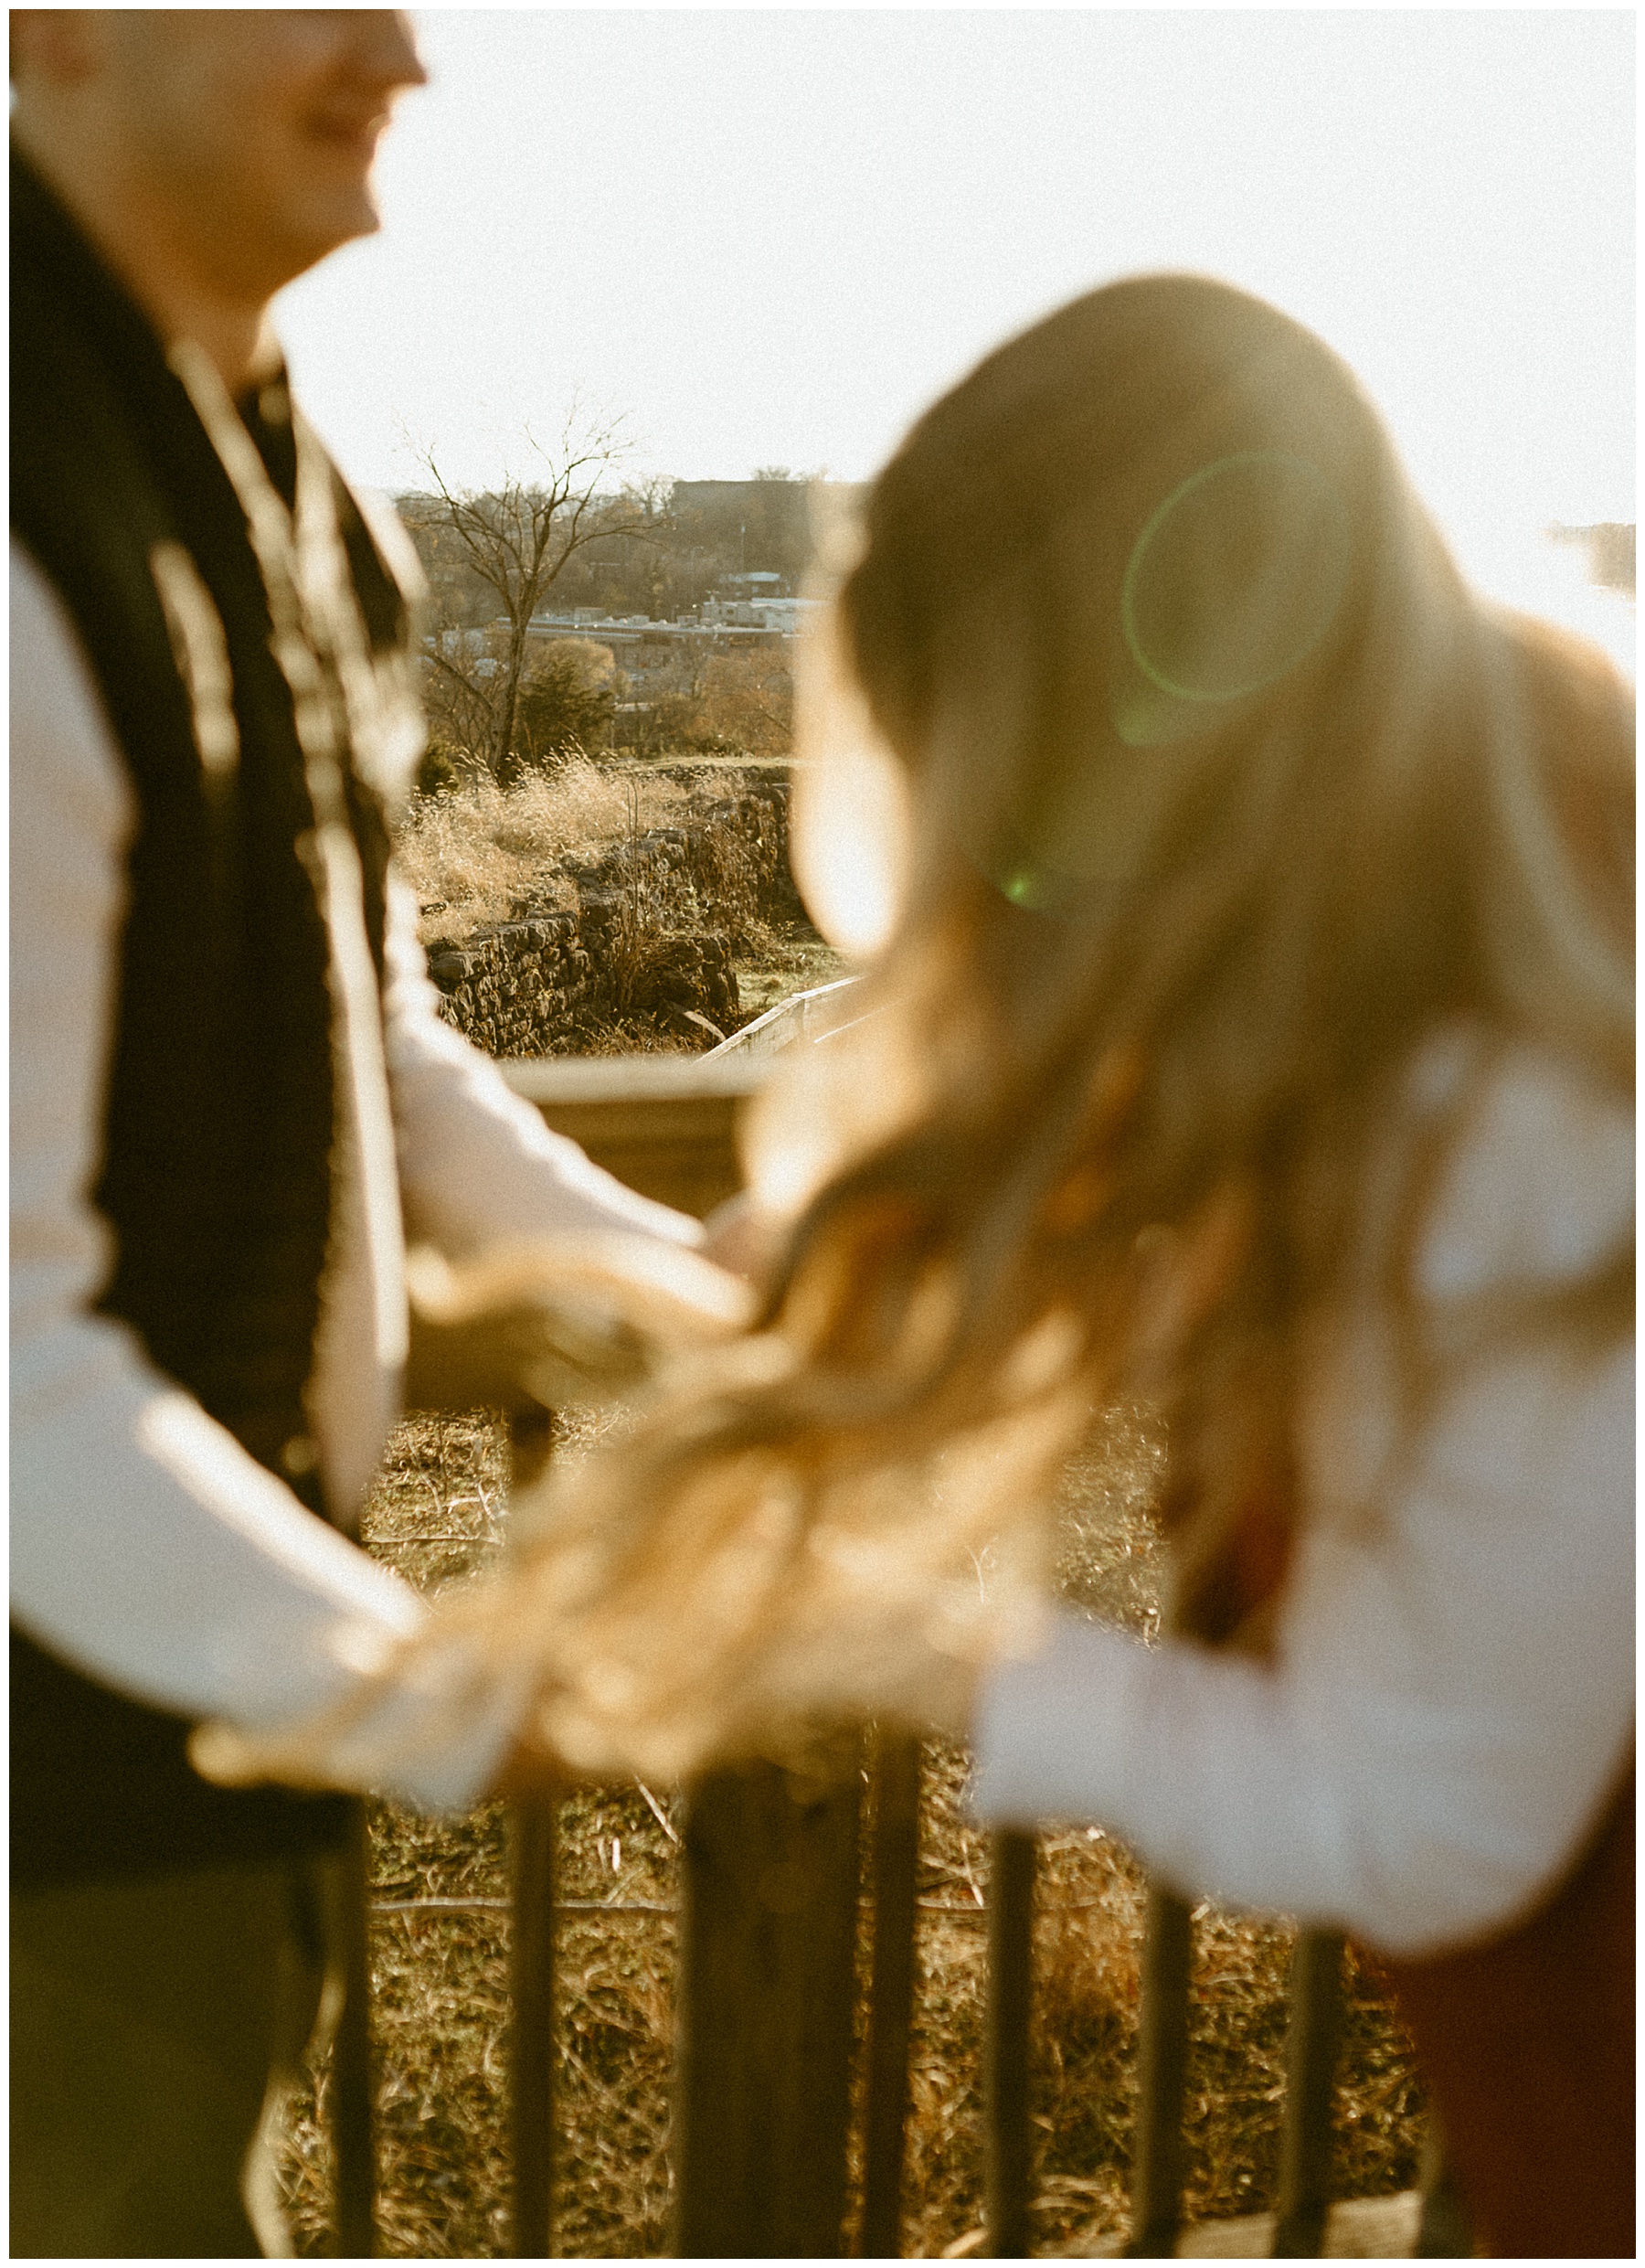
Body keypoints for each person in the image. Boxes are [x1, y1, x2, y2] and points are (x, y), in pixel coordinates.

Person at [207, 274, 1634, 2257]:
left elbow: (1425, 1823)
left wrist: (923, 1644)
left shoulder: (1515, 1129)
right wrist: (844, 1237)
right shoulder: (1510, 884)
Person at [9, 14, 743, 2256]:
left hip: (169, 1731)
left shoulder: (279, 481)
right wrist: (417, 1681)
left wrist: (703, 1316)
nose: (404, 45)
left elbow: (371, 1026)